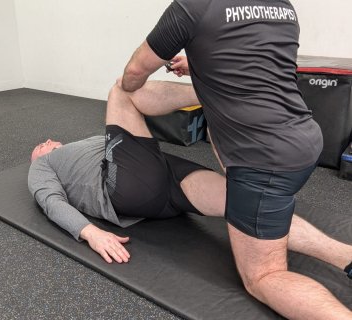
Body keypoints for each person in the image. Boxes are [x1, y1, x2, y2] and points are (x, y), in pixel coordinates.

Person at [118, 0, 352, 319]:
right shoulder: (282, 6)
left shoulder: (193, 6)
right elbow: (254, 59)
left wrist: (125, 87)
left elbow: (135, 71)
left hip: (265, 156)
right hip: (305, 137)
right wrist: (196, 61)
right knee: (263, 213)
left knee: (263, 276)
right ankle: (347, 257)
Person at [28, 78, 352, 290]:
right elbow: (50, 201)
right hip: (124, 186)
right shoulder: (42, 166)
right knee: (121, 91)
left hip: (164, 176)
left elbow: (130, 141)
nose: (43, 143)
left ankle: (345, 257)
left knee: (249, 204)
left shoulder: (89, 141)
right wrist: (90, 233)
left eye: (46, 142)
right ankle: (211, 90)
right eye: (38, 146)